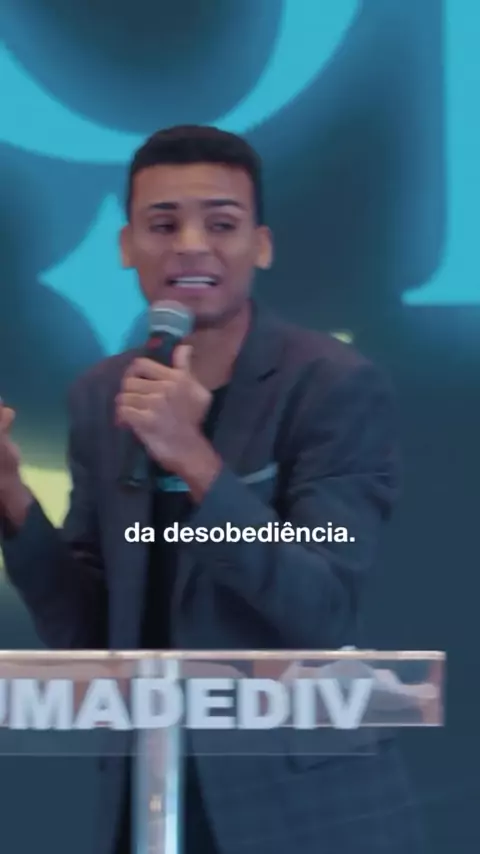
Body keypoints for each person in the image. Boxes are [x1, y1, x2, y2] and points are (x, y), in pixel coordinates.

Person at [0, 125, 425, 854]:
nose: (191, 246)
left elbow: (319, 606)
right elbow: (91, 630)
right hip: (153, 792)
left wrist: (194, 459)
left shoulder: (332, 387)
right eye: (163, 225)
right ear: (127, 247)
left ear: (261, 246)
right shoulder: (101, 397)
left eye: (221, 224)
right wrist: (11, 495)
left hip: (304, 805)